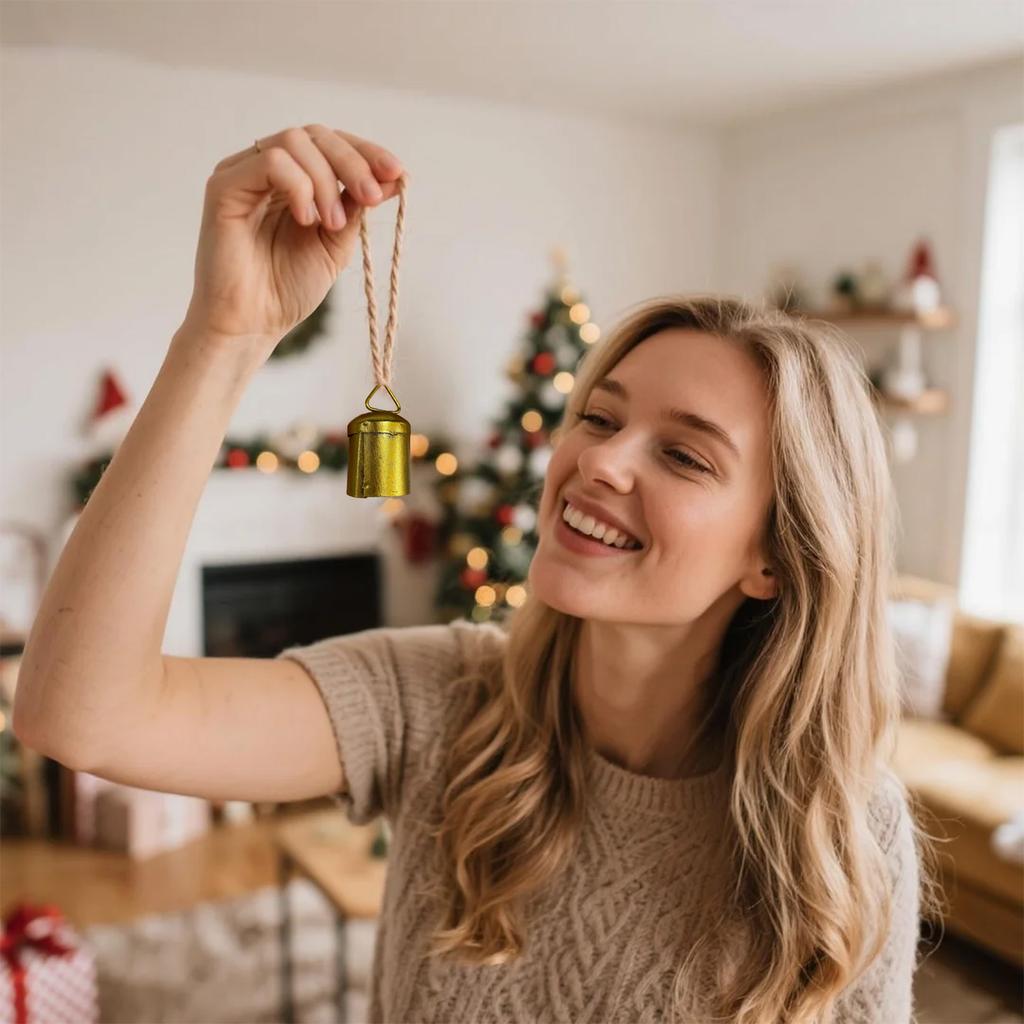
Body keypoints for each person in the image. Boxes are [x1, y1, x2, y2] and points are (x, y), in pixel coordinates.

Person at [13, 124, 941, 1023]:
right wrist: (222, 338)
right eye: (602, 418)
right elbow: (78, 711)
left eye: (686, 457)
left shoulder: (846, 829)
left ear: (777, 557)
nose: (602, 463)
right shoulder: (436, 701)